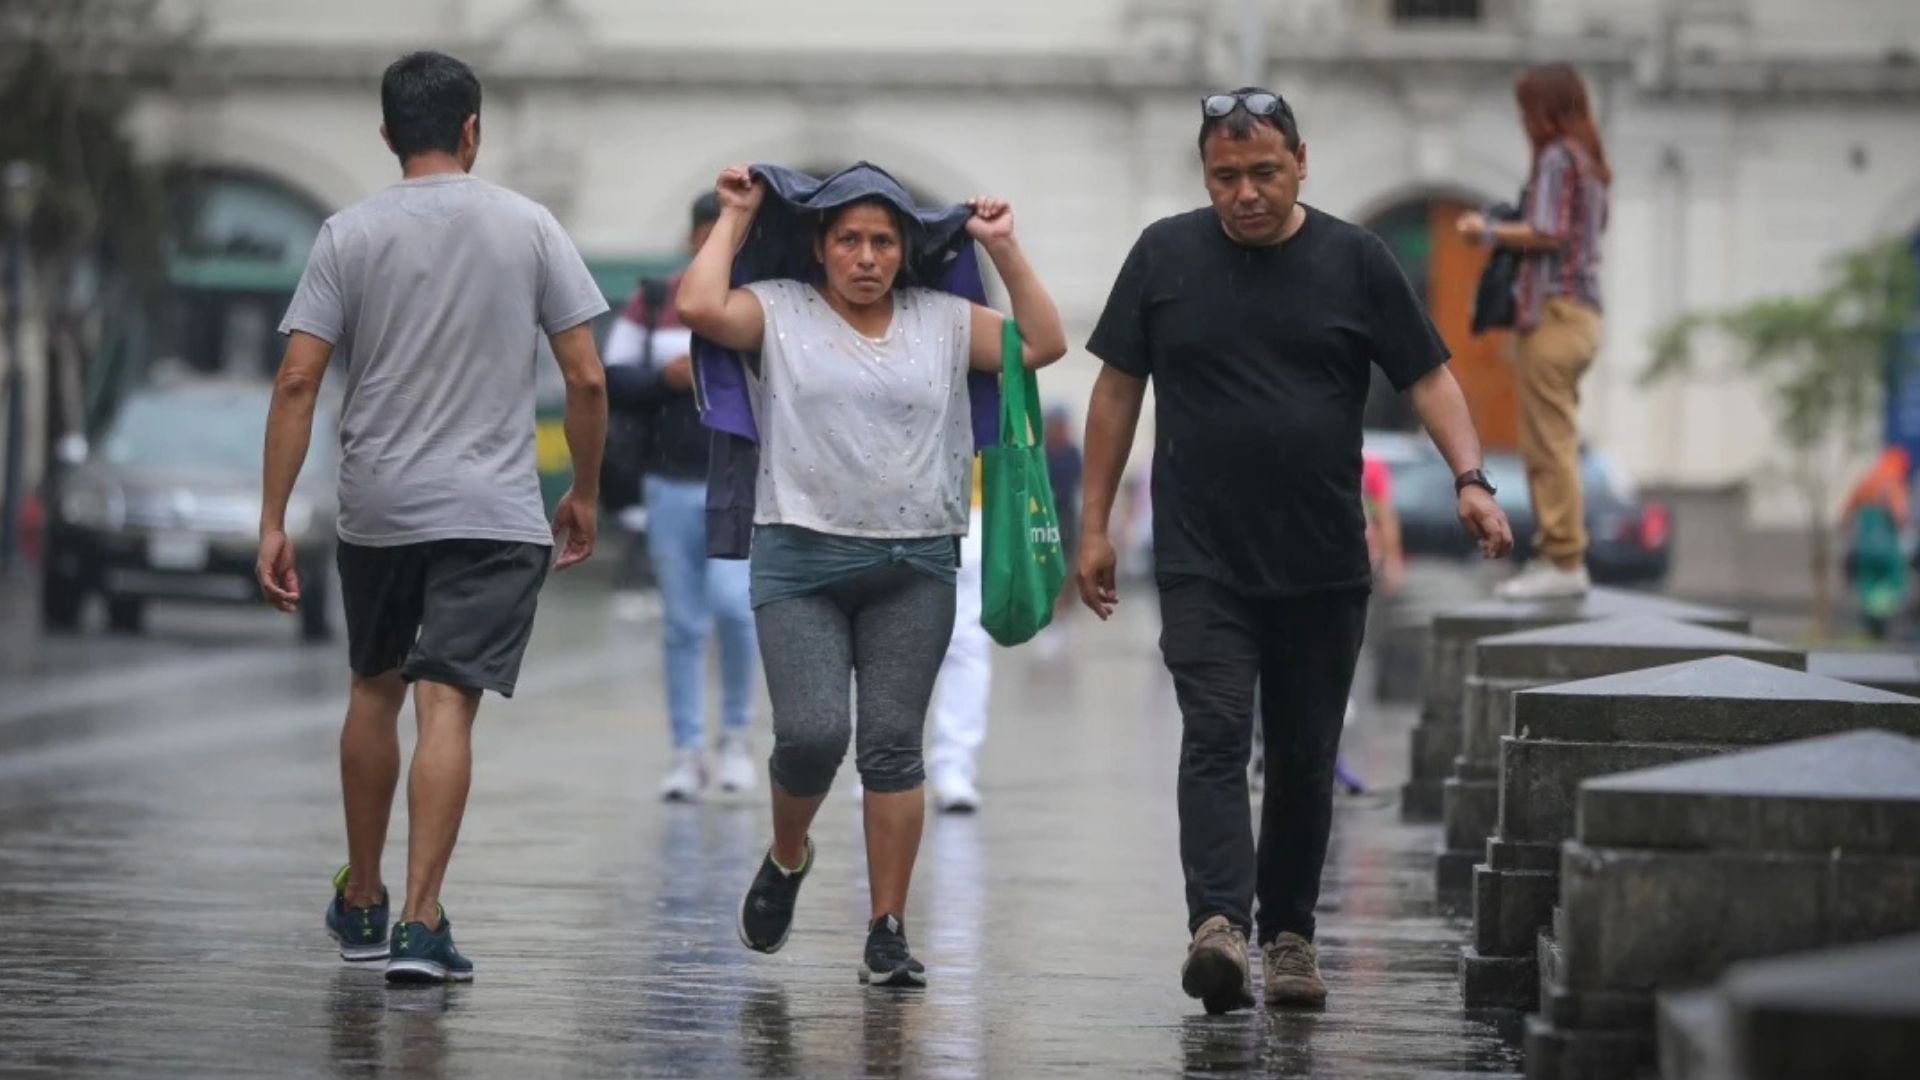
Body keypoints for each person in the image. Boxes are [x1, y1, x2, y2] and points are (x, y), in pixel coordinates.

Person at [1077, 87, 1512, 1015]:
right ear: (1205, 176)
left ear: (1302, 162)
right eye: (1225, 175)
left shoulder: (1357, 260)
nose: (1244, 192)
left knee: (1307, 756)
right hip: (1201, 556)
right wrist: (1094, 525)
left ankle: (1290, 939)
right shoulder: (1164, 253)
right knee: (1217, 733)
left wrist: (1471, 480)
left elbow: (1428, 376)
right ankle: (1219, 928)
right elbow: (1116, 390)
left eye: (1263, 172)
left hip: (1322, 561)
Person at [258, 50, 608, 985]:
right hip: (492, 510)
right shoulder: (530, 226)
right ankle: (420, 924)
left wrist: (272, 518)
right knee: (444, 701)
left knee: (374, 687)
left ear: (385, 136)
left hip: (378, 504)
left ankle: (364, 900)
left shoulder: (346, 234)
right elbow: (585, 374)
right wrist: (585, 490)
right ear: (472, 131)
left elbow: (298, 378)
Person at [677, 164, 1067, 987]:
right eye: (848, 239)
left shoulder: (945, 320)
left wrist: (1004, 247)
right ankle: (788, 857)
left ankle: (887, 928)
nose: (865, 256)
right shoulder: (779, 309)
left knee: (893, 748)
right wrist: (738, 216)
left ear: (904, 252)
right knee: (812, 734)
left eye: (882, 241)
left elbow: (1042, 344)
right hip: (800, 559)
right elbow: (699, 306)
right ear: (820, 247)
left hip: (914, 560)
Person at [605, 193, 760, 801]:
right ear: (694, 236)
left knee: (736, 610)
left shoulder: (754, 301)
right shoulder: (653, 301)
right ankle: (688, 749)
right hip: (668, 481)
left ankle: (737, 738)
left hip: (737, 482)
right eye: (707, 232)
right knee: (681, 623)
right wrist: (663, 379)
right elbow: (611, 376)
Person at [1457, 63, 1610, 601]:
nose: (1523, 121)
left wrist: (1487, 230)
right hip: (1581, 316)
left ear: (1546, 111)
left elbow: (1548, 232)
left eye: (1527, 109)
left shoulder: (1556, 158)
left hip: (1554, 313)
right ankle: (1560, 556)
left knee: (1549, 443)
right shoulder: (1589, 163)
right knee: (1556, 438)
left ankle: (1562, 560)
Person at [926, 459, 990, 814]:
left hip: (970, 505)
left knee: (966, 644)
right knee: (884, 636)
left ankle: (955, 766)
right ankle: (879, 764)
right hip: (885, 506)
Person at [1842, 446, 1911, 640]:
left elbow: (1846, 512)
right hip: (1886, 548)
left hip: (1864, 547)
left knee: (1867, 585)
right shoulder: (1892, 484)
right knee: (1893, 583)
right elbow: (1900, 516)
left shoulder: (1866, 481)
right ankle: (1881, 625)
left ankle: (1870, 628)